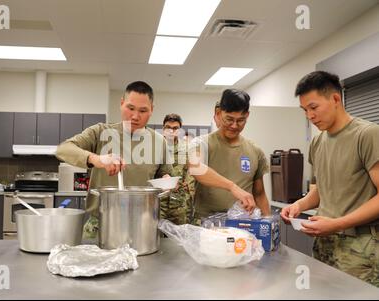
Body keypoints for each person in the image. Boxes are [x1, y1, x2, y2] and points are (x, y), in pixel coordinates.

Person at [281, 71, 379, 287]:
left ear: (335, 99)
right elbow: (318, 192)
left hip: (360, 248)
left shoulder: (367, 135)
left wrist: (337, 224)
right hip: (324, 242)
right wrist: (297, 205)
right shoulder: (317, 143)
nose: (309, 116)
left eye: (313, 107)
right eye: (305, 110)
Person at [56, 81, 172, 238]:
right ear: (122, 103)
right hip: (100, 224)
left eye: (143, 110)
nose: (135, 116)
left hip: (142, 225)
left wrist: (166, 181)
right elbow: (63, 149)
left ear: (152, 110)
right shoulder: (100, 132)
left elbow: (165, 175)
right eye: (130, 108)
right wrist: (96, 159)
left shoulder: (159, 142)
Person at [191, 89, 271, 225]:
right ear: (218, 113)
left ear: (247, 116)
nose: (234, 126)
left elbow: (259, 194)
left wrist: (268, 223)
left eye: (241, 120)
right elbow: (196, 168)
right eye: (229, 119)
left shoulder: (255, 151)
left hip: (243, 226)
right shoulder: (200, 144)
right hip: (206, 225)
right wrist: (232, 187)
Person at [160, 113, 195, 224]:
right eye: (168, 127)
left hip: (179, 203)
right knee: (156, 236)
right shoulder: (155, 147)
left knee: (179, 237)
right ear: (163, 129)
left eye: (175, 128)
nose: (171, 131)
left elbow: (190, 173)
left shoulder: (187, 148)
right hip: (159, 202)